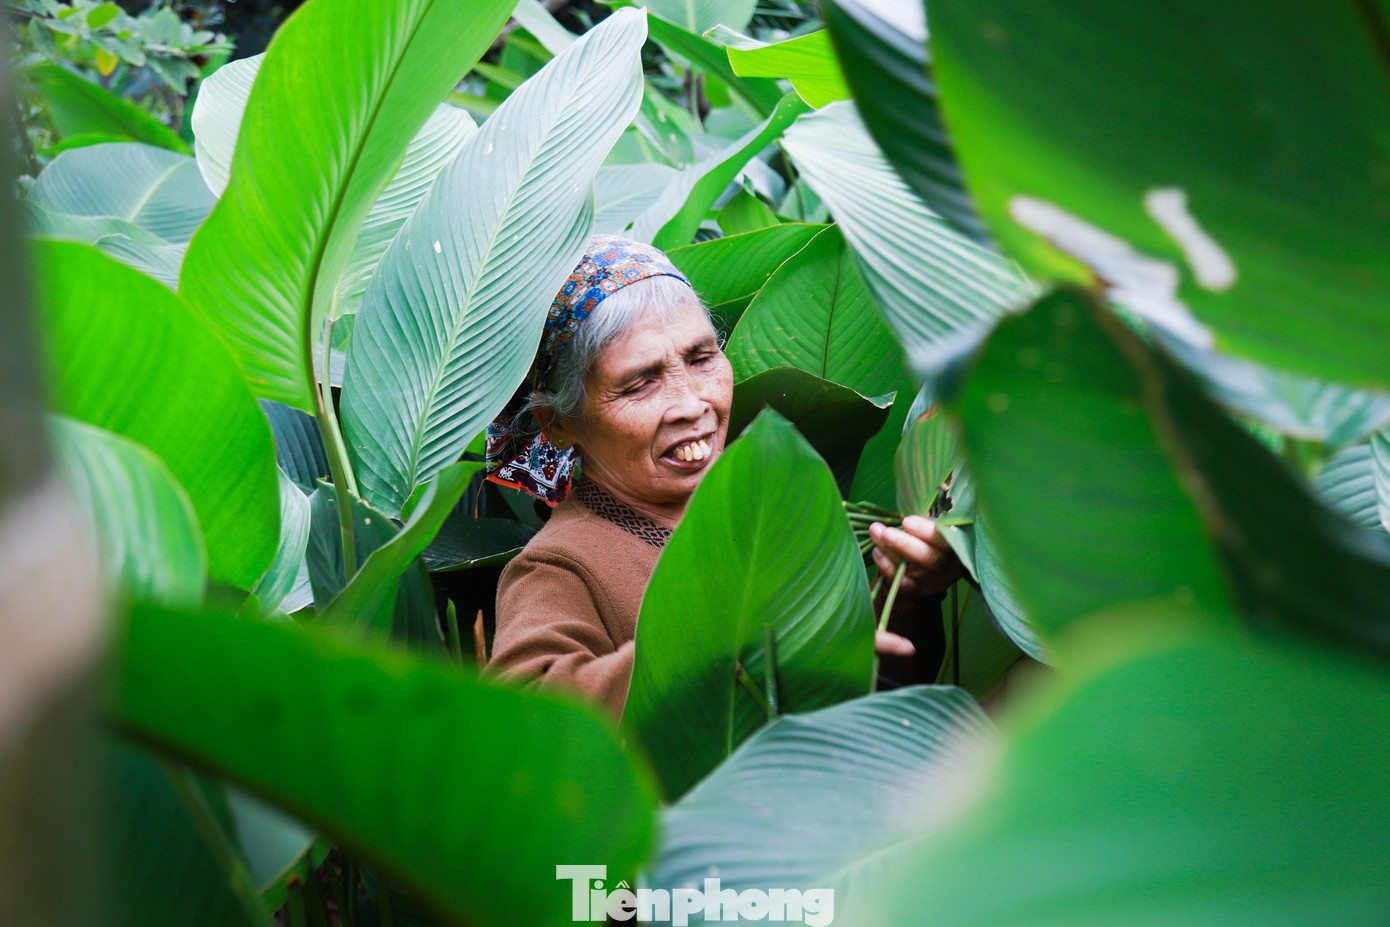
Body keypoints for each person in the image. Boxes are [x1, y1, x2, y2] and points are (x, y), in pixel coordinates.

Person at [481, 234, 959, 717]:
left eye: (702, 358)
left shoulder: (773, 510)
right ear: (559, 424)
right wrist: (727, 647)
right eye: (640, 383)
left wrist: (914, 592)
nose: (692, 403)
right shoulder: (561, 565)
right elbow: (524, 715)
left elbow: (886, 694)